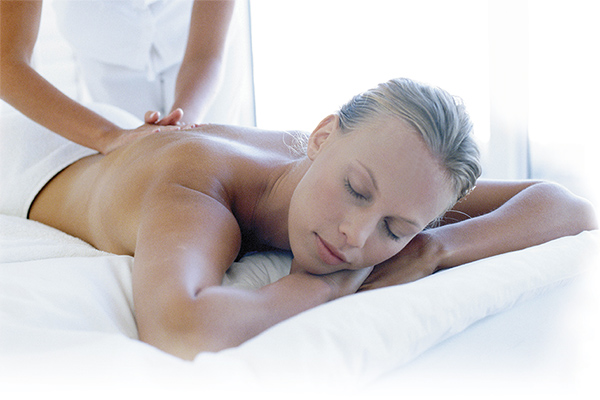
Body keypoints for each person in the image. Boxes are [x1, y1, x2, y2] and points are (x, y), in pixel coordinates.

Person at [1, 78, 596, 360]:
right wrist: (324, 284)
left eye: (397, 227)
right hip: (22, 148)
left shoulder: (390, 184)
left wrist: (433, 251)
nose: (356, 236)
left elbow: (566, 206)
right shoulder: (199, 189)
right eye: (355, 190)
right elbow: (183, 328)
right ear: (320, 136)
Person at [0, 0, 251, 154]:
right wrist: (109, 136)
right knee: (137, 165)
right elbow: (6, 65)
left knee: (212, 156)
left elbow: (205, 55)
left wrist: (183, 124)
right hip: (107, 52)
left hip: (201, 47)